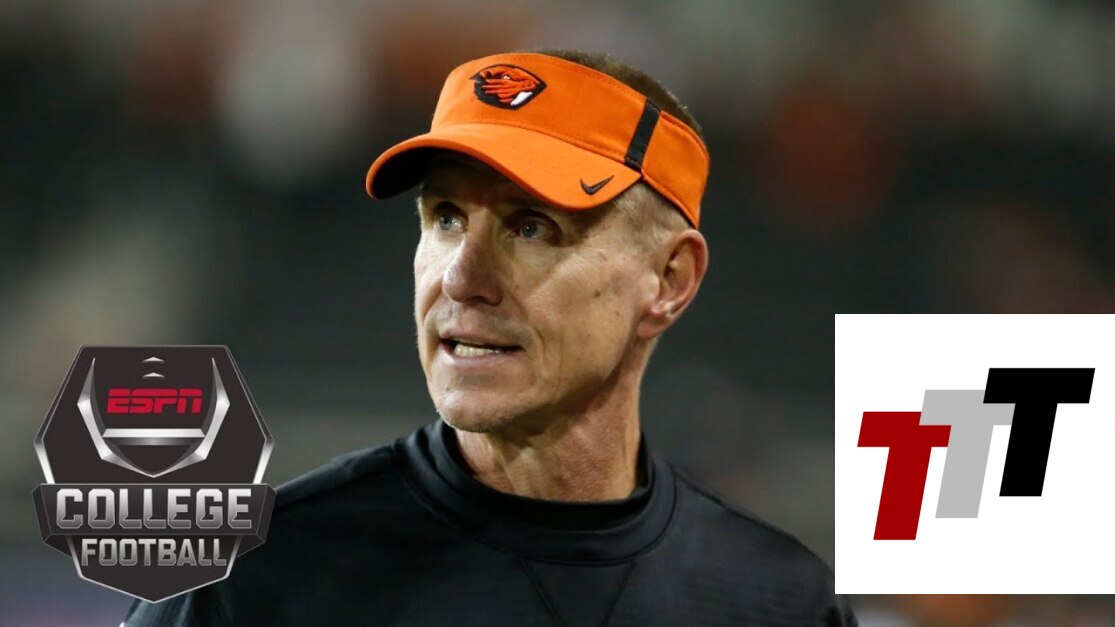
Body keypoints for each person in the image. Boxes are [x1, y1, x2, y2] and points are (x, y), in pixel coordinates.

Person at [125, 49, 857, 626]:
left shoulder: (779, 601)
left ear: (669, 279)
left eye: (531, 226)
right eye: (445, 217)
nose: (461, 277)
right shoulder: (250, 582)